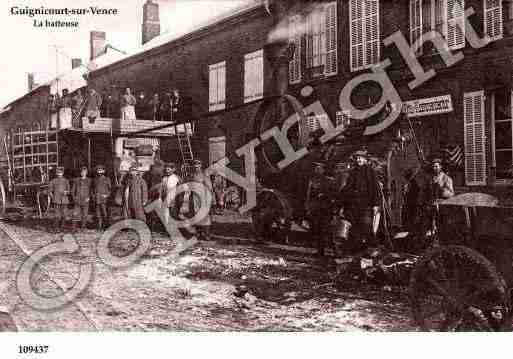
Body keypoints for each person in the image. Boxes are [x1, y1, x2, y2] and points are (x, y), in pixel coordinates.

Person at [339, 149, 381, 249]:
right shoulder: (353, 172)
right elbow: (347, 187)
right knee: (354, 228)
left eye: (360, 158)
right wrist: (342, 200)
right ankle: (357, 250)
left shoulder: (371, 172)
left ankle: (373, 248)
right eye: (357, 158)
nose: (358, 160)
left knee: (366, 225)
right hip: (353, 204)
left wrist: (375, 204)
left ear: (365, 159)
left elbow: (375, 189)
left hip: (366, 204)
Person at [305, 162, 333, 256]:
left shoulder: (329, 181)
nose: (317, 169)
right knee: (316, 229)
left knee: (326, 230)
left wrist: (325, 195)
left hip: (325, 209)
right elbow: (308, 194)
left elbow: (333, 194)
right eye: (316, 168)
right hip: (315, 208)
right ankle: (320, 251)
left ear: (323, 170)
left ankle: (334, 251)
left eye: (319, 168)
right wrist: (308, 206)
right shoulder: (312, 181)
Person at [187, 160, 214, 241]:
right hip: (194, 197)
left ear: (201, 165)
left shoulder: (204, 175)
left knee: (205, 215)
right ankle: (198, 233)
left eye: (198, 164)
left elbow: (209, 187)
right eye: (194, 165)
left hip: (203, 196)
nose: (196, 166)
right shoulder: (192, 175)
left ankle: (206, 234)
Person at [48, 166, 70, 231]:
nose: (59, 174)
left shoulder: (66, 181)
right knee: (57, 215)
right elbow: (49, 191)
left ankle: (62, 227)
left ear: (63, 173)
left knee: (64, 214)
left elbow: (69, 190)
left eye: (60, 172)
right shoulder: (53, 181)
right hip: (56, 200)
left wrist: (67, 192)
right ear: (56, 173)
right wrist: (53, 197)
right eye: (58, 172)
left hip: (64, 200)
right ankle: (56, 228)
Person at [72, 166, 91, 230]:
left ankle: (83, 227)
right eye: (82, 172)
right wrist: (74, 198)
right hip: (78, 200)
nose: (83, 173)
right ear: (80, 173)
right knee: (75, 214)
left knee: (85, 214)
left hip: (85, 200)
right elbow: (73, 190)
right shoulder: (76, 180)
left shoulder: (89, 180)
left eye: (84, 172)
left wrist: (89, 197)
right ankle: (74, 227)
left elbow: (91, 190)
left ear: (86, 173)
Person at [93, 165, 112, 230]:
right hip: (97, 199)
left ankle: (106, 227)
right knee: (98, 214)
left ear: (104, 171)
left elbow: (110, 189)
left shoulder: (107, 179)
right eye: (98, 170)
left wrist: (107, 195)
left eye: (101, 170)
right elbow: (93, 189)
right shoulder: (95, 179)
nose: (99, 171)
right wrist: (94, 196)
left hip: (104, 199)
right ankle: (99, 227)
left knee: (105, 213)